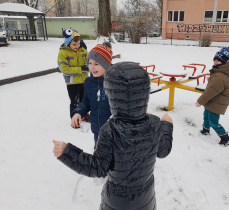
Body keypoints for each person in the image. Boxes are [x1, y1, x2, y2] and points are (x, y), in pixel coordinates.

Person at [53, 62, 174, 210]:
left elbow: (97, 167)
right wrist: (166, 125)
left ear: (113, 96)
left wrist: (68, 153)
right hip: (145, 198)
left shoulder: (110, 130)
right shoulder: (155, 123)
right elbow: (164, 150)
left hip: (117, 202)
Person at [71, 42, 113, 147]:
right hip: (96, 130)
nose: (92, 67)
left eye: (96, 64)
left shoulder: (114, 83)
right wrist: (78, 112)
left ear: (106, 65)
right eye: (90, 63)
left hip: (113, 132)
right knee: (98, 155)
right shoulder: (89, 82)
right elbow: (86, 102)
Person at [195, 46, 229, 146]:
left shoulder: (220, 77)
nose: (215, 61)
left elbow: (211, 91)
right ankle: (205, 130)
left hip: (217, 103)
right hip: (213, 101)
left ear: (225, 62)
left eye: (219, 60)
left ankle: (225, 138)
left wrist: (200, 101)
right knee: (206, 116)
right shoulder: (219, 72)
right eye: (215, 59)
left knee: (213, 122)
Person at [57, 28, 89, 118]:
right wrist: (81, 69)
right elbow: (65, 70)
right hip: (72, 82)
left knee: (84, 100)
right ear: (68, 43)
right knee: (74, 102)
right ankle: (74, 119)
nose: (77, 46)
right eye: (74, 44)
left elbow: (89, 62)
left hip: (84, 81)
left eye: (78, 44)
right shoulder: (63, 53)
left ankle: (84, 115)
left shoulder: (83, 51)